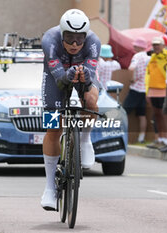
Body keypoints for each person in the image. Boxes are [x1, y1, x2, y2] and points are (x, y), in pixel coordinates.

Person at [41, 9, 101, 210]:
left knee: (91, 100)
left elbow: (91, 75)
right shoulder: (49, 39)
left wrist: (85, 76)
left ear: (86, 36)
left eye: (79, 39)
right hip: (55, 77)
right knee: (53, 127)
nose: (74, 44)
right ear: (62, 33)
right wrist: (68, 74)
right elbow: (59, 77)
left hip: (82, 73)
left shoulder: (94, 42)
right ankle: (49, 187)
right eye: (69, 38)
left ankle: (84, 140)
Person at [145, 36, 167, 149]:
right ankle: (159, 139)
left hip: (164, 90)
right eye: (154, 45)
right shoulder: (152, 57)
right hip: (153, 90)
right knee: (157, 115)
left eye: (158, 45)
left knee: (164, 115)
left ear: (163, 46)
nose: (156, 47)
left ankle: (166, 140)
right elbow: (148, 74)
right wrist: (147, 91)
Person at [123, 37, 150, 143]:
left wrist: (132, 79)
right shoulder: (148, 58)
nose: (133, 47)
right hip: (145, 89)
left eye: (135, 45)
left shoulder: (137, 56)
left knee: (124, 112)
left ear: (139, 47)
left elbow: (131, 68)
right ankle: (141, 137)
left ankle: (122, 134)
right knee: (142, 115)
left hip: (135, 89)